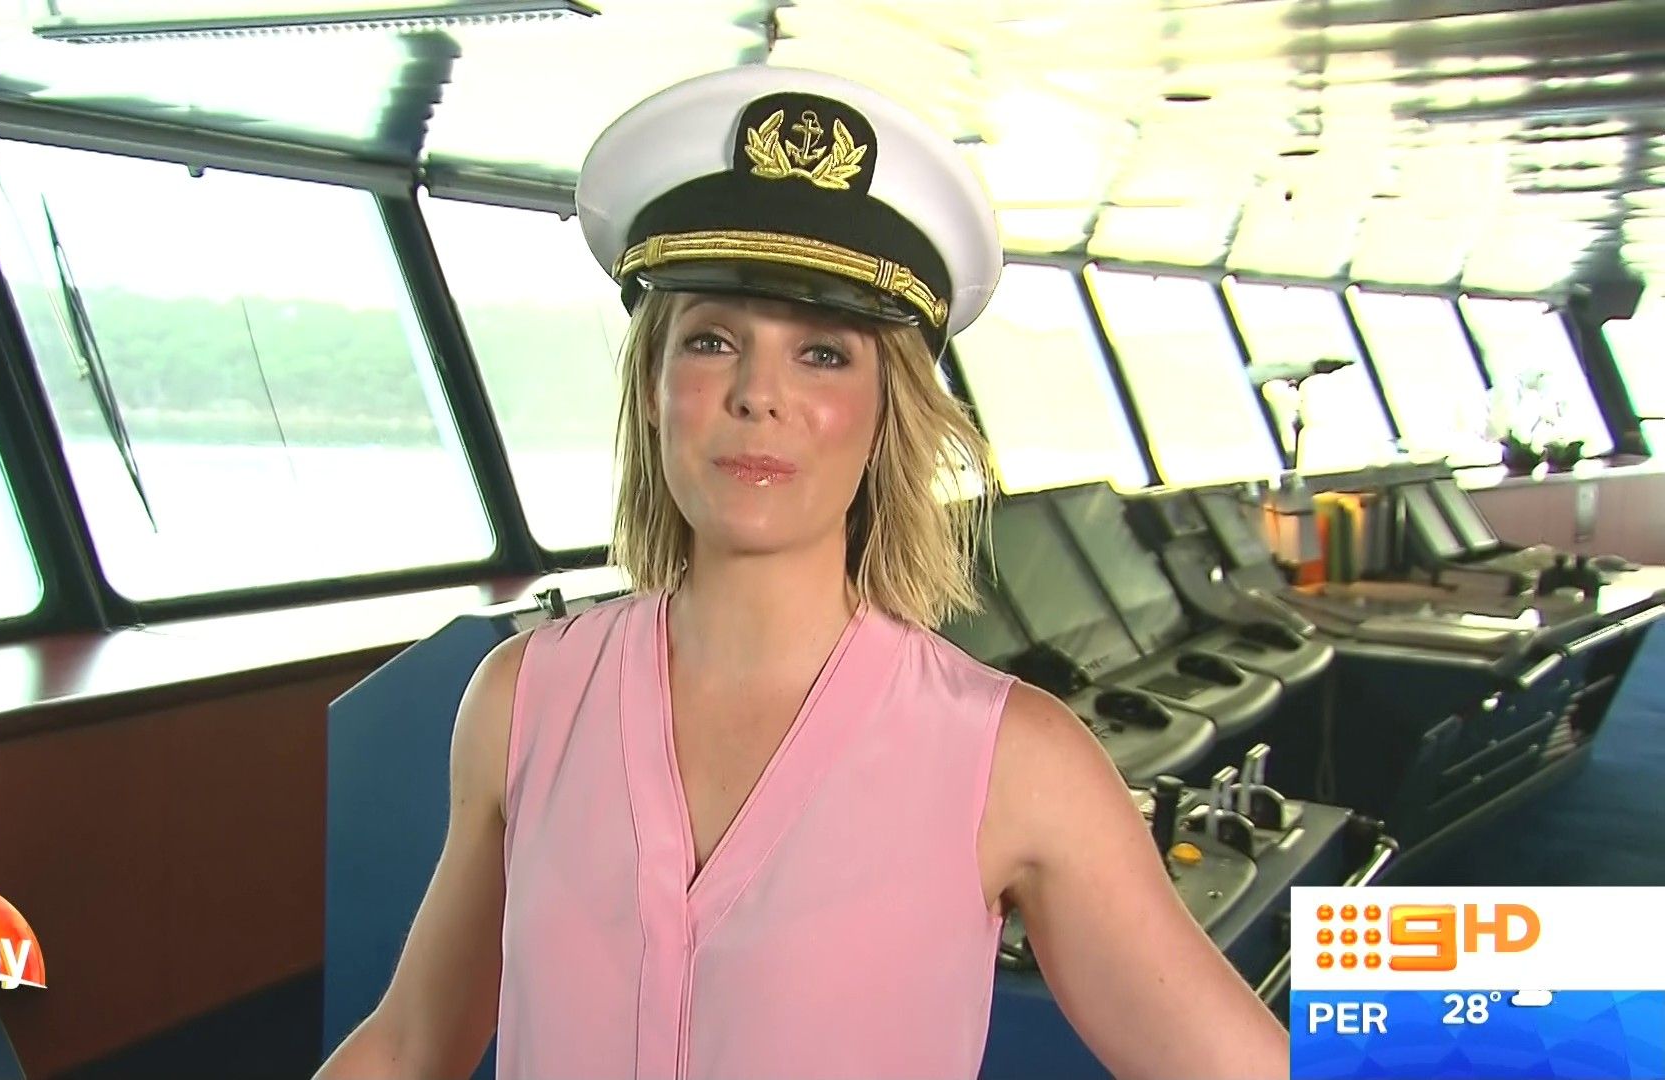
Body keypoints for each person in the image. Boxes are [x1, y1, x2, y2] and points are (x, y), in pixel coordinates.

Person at [316, 65, 1290, 1080]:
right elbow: (410, 1044)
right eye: (711, 341)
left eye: (822, 353)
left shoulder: (1018, 761)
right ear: (653, 388)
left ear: (887, 409)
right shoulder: (522, 701)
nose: (757, 394)